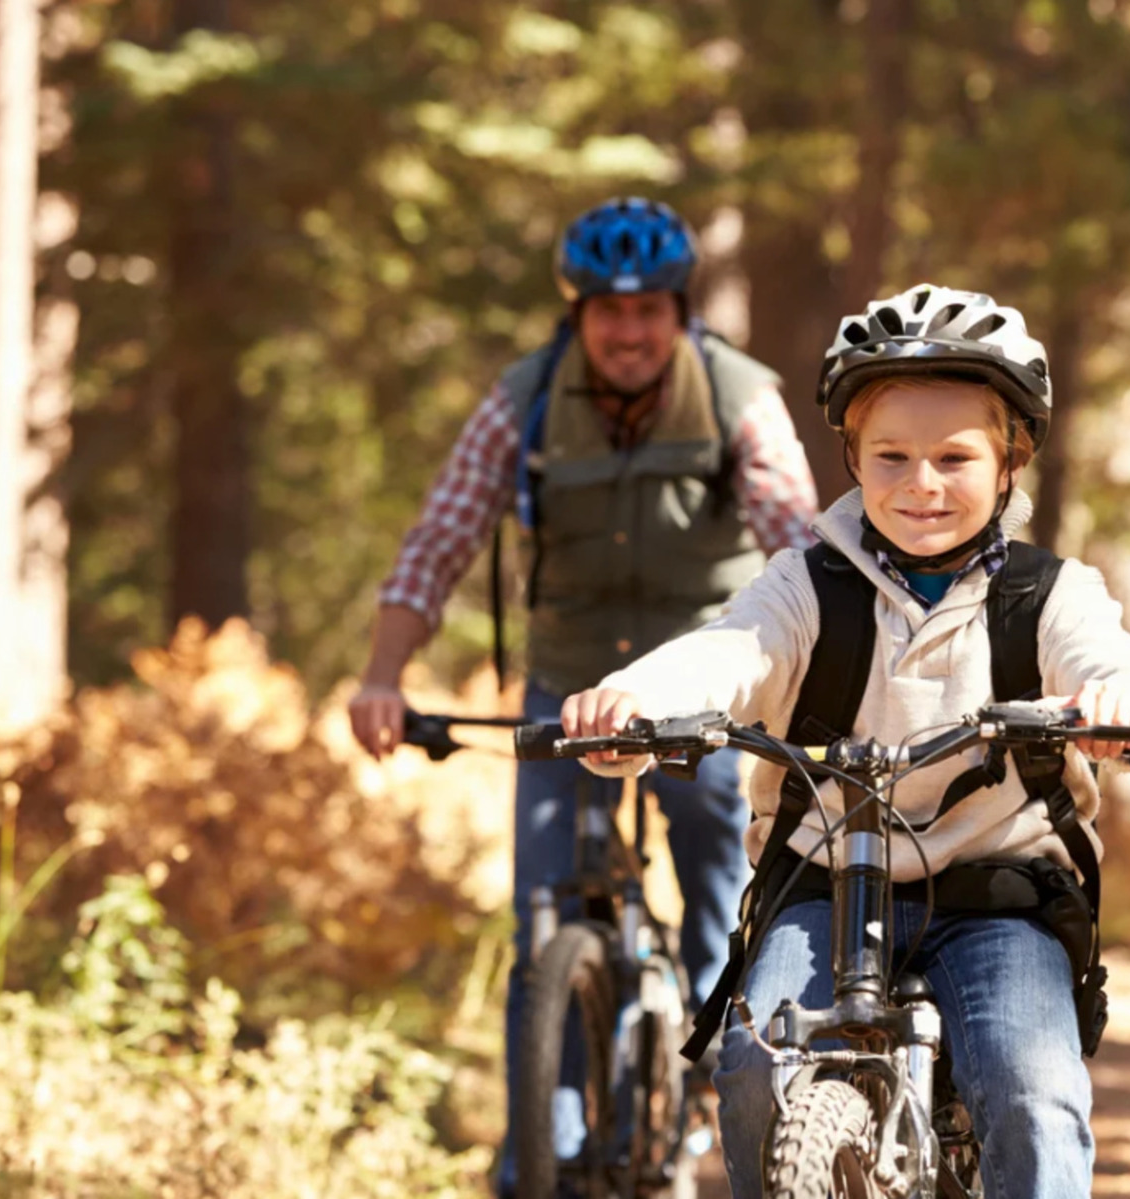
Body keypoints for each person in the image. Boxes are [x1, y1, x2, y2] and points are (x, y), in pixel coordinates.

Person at [561, 283, 1130, 1198]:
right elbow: (731, 648)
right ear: (851, 456)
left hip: (999, 894)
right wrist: (635, 699)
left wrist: (1119, 700)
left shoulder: (1049, 593)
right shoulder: (806, 584)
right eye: (892, 455)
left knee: (1034, 1093)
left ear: (1012, 459)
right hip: (823, 883)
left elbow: (1102, 660)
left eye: (955, 457)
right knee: (755, 1067)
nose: (922, 483)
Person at [345, 197, 819, 1196]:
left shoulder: (738, 395)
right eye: (608, 312)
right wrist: (384, 673)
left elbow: (800, 541)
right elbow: (440, 537)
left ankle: (709, 1090)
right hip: (567, 684)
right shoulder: (522, 399)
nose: (629, 331)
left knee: (721, 881)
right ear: (577, 315)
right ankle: (542, 1158)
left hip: (700, 681)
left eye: (649, 310)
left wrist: (822, 680)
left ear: (681, 311)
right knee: (543, 924)